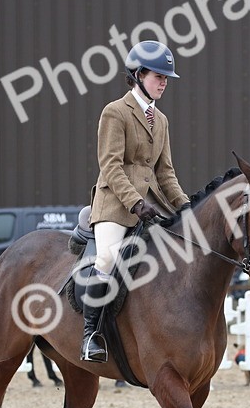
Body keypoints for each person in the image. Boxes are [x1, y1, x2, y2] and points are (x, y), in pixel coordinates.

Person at [81, 40, 191, 362]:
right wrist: (135, 203)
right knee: (107, 260)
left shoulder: (163, 121)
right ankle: (91, 335)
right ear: (139, 74)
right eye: (159, 76)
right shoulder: (115, 112)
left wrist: (187, 208)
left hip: (151, 205)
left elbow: (166, 173)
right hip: (116, 205)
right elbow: (111, 166)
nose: (164, 82)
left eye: (166, 77)